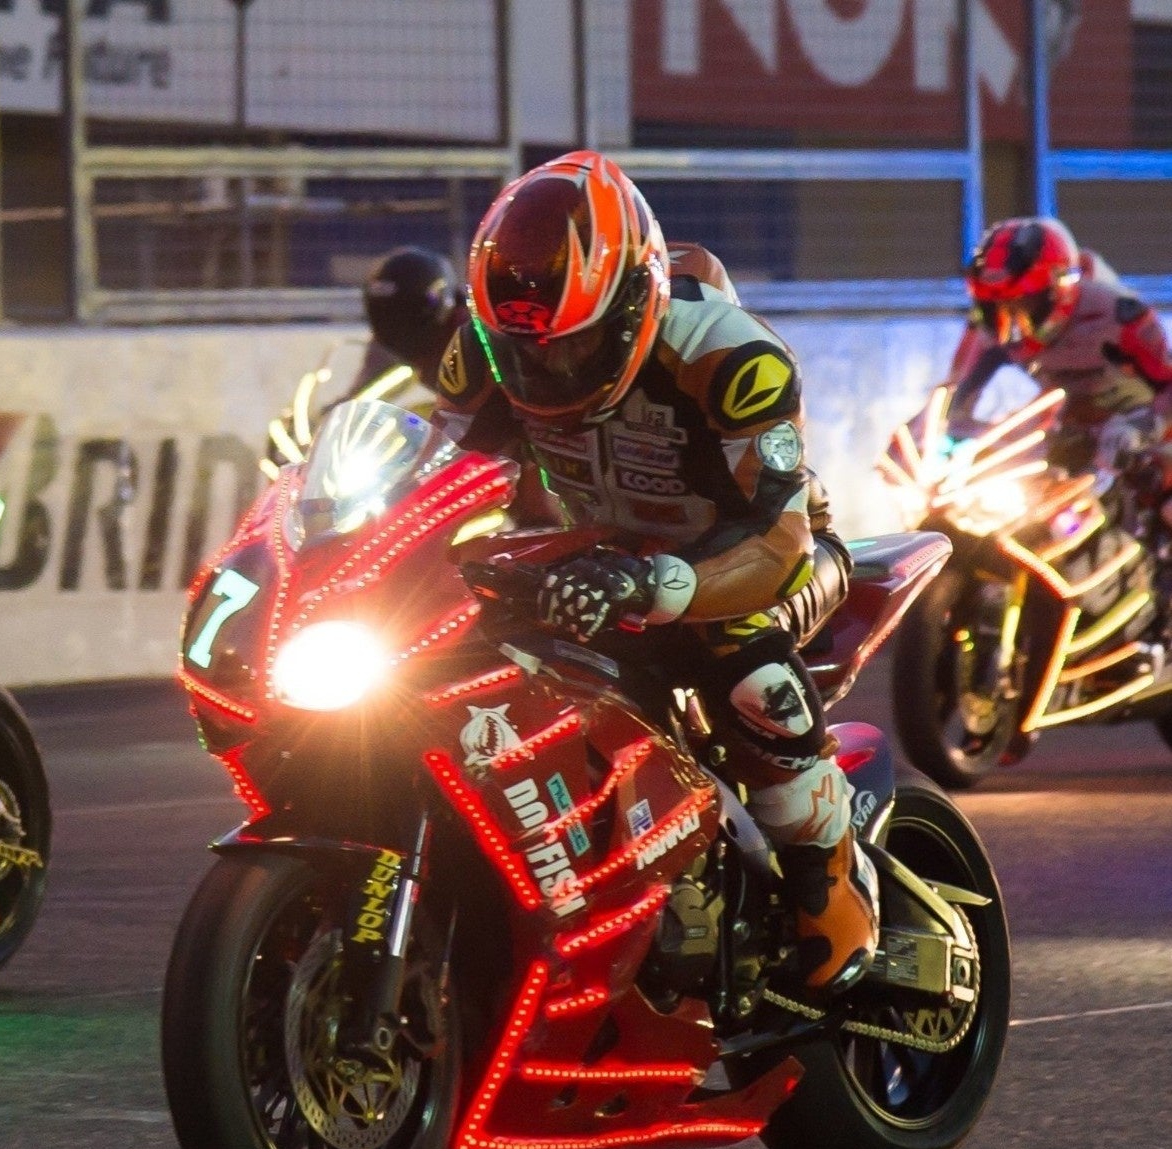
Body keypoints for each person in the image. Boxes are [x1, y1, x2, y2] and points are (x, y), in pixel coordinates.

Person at [434, 151, 878, 995]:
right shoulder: (488, 352)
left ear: (636, 303)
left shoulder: (732, 360)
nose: (550, 370)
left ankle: (828, 881)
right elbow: (436, 478)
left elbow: (779, 540)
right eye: (528, 352)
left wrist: (655, 584)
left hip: (754, 558)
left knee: (747, 674)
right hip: (599, 558)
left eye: (577, 344)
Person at [947, 216, 1172, 486]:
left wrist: (1140, 426)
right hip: (1068, 432)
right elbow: (954, 400)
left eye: (1024, 307)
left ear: (1061, 288)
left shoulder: (1119, 317)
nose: (1013, 327)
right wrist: (939, 441)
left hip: (1144, 436)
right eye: (996, 310)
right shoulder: (987, 333)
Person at [353, 247, 465, 408]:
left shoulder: (469, 337)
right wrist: (335, 413)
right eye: (384, 312)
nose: (394, 322)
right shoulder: (387, 342)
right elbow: (363, 394)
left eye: (404, 310)